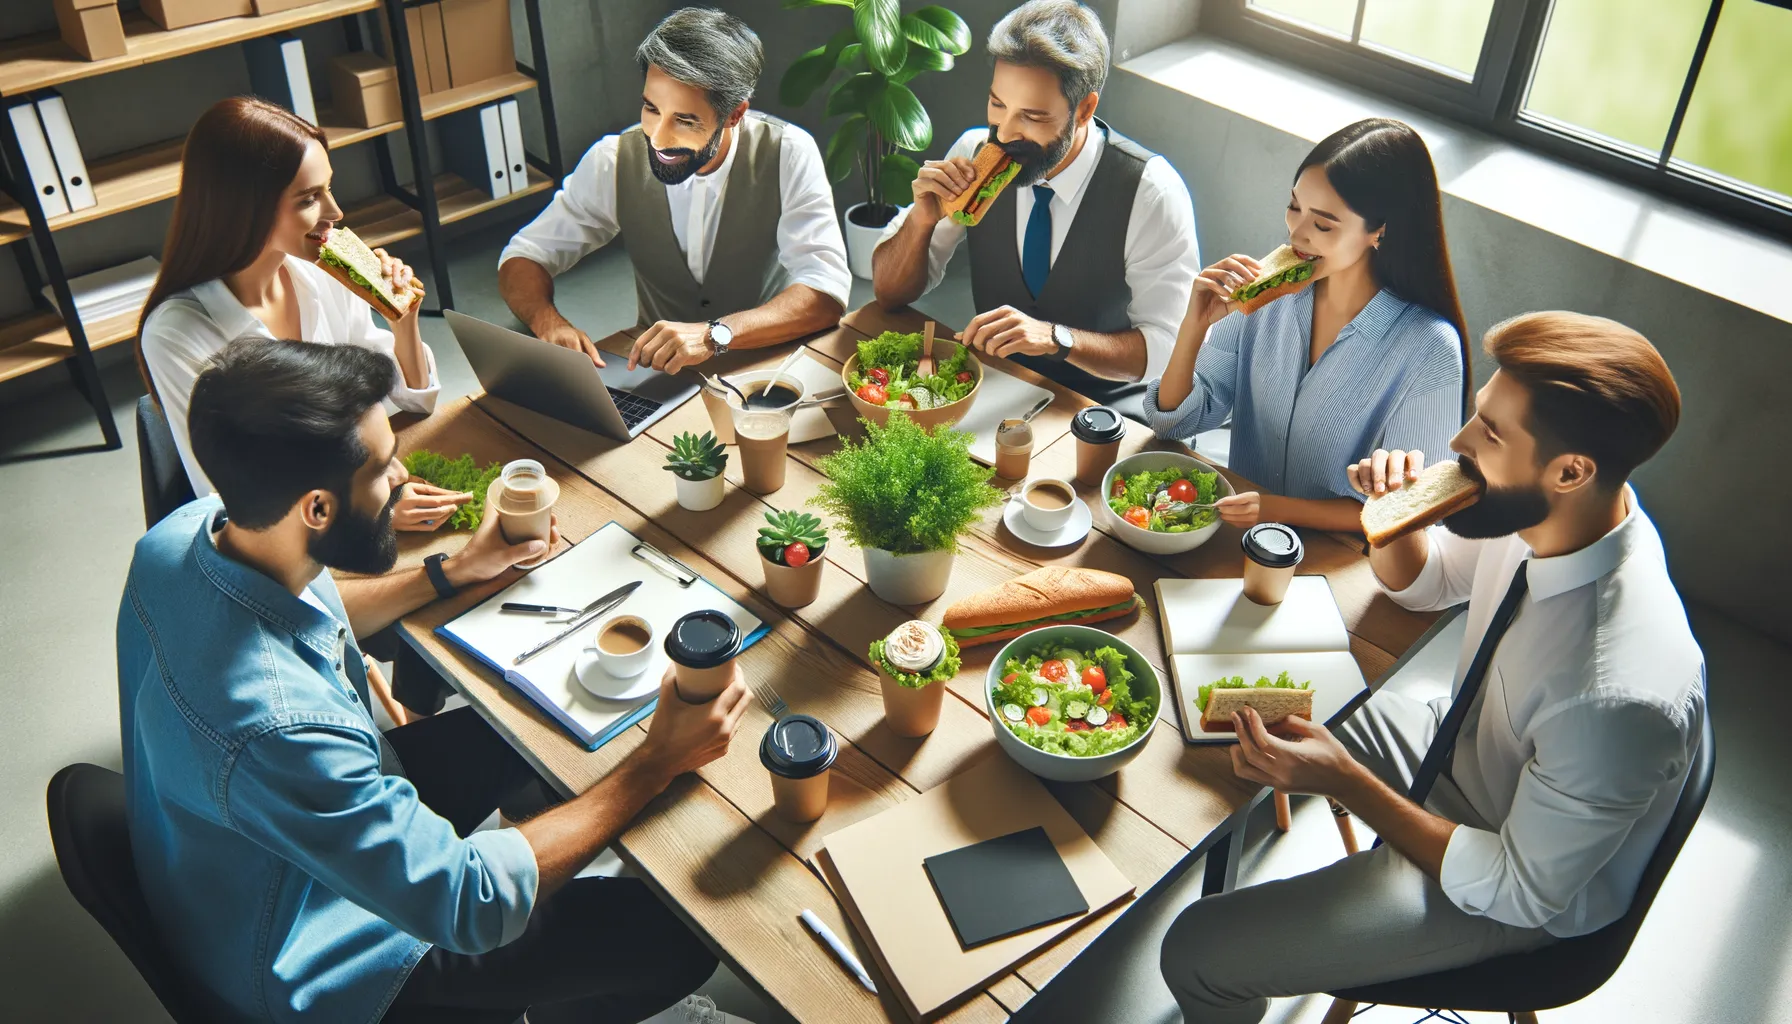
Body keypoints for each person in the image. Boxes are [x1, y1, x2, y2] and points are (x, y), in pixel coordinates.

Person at [117, 338, 752, 1024]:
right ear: (318, 510)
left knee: (532, 736)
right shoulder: (279, 725)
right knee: (677, 935)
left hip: (240, 854)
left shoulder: (183, 538)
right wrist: (654, 764)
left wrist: (451, 571)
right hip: (327, 960)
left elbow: (307, 609)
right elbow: (468, 901)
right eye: (385, 469)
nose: (400, 481)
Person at [1157, 312, 1705, 1022]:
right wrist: (1392, 518)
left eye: (1490, 434)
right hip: (1460, 750)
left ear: (1571, 470)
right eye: (1478, 417)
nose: (1457, 443)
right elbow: (1431, 582)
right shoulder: (1565, 515)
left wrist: (1344, 780)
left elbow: (1517, 887)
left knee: (1196, 950)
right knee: (1229, 718)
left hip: (1504, 885)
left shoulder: (1616, 698)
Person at [138, 96, 468, 532]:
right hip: (302, 536)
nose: (335, 213)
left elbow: (409, 408)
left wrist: (402, 321)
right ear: (245, 209)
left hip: (366, 488)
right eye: (310, 198)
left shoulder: (324, 274)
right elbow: (231, 499)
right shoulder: (176, 333)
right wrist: (374, 508)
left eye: (329, 188)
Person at [872, 0, 1199, 420]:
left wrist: (1056, 339)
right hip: (994, 386)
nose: (1005, 132)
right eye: (997, 104)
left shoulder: (1151, 192)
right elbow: (888, 293)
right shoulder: (973, 153)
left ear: (1084, 109)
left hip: (1103, 409)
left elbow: (1169, 350)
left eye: (1032, 116)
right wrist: (921, 220)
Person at [1146, 118, 1470, 533]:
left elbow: (1408, 512)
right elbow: (1175, 422)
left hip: (1337, 560)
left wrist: (1274, 509)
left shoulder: (1429, 348)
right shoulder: (1266, 296)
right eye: (1294, 206)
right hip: (1238, 532)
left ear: (1380, 230)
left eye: (1322, 224)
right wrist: (1193, 328)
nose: (1296, 233)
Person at [499, 7, 849, 375]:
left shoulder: (788, 153)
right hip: (655, 373)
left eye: (685, 120)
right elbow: (523, 257)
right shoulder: (612, 160)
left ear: (734, 114)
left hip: (766, 364)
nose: (659, 138)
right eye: (651, 108)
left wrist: (716, 335)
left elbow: (825, 294)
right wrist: (548, 323)